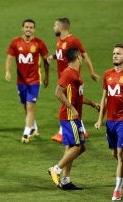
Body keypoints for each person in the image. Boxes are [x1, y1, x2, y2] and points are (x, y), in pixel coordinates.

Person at [48, 47, 99, 190]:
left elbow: (78, 97)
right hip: (69, 116)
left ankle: (65, 180)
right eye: (81, 56)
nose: (82, 58)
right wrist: (71, 108)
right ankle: (56, 169)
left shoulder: (75, 74)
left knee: (78, 147)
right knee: (77, 146)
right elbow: (58, 92)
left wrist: (92, 104)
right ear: (77, 57)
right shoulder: (68, 72)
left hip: (74, 116)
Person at [47, 18, 100, 143]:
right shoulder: (59, 41)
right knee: (71, 101)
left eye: (55, 25)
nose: (53, 28)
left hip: (71, 77)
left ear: (61, 27)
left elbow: (84, 56)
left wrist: (92, 73)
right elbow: (63, 55)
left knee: (67, 101)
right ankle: (80, 130)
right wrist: (53, 57)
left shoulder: (73, 41)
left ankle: (63, 132)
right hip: (63, 77)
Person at [5, 19, 49, 143]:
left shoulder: (39, 43)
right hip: (21, 81)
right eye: (26, 27)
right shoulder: (15, 42)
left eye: (31, 27)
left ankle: (26, 133)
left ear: (34, 29)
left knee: (30, 107)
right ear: (22, 28)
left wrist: (46, 77)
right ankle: (34, 127)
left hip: (34, 81)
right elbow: (9, 58)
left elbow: (46, 61)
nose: (28, 29)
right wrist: (8, 71)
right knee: (26, 106)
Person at [94, 44, 123, 201]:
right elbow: (104, 98)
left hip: (122, 121)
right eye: (113, 53)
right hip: (110, 122)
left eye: (118, 53)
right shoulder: (107, 74)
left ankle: (117, 191)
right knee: (115, 154)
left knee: (120, 153)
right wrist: (100, 120)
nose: (115, 56)